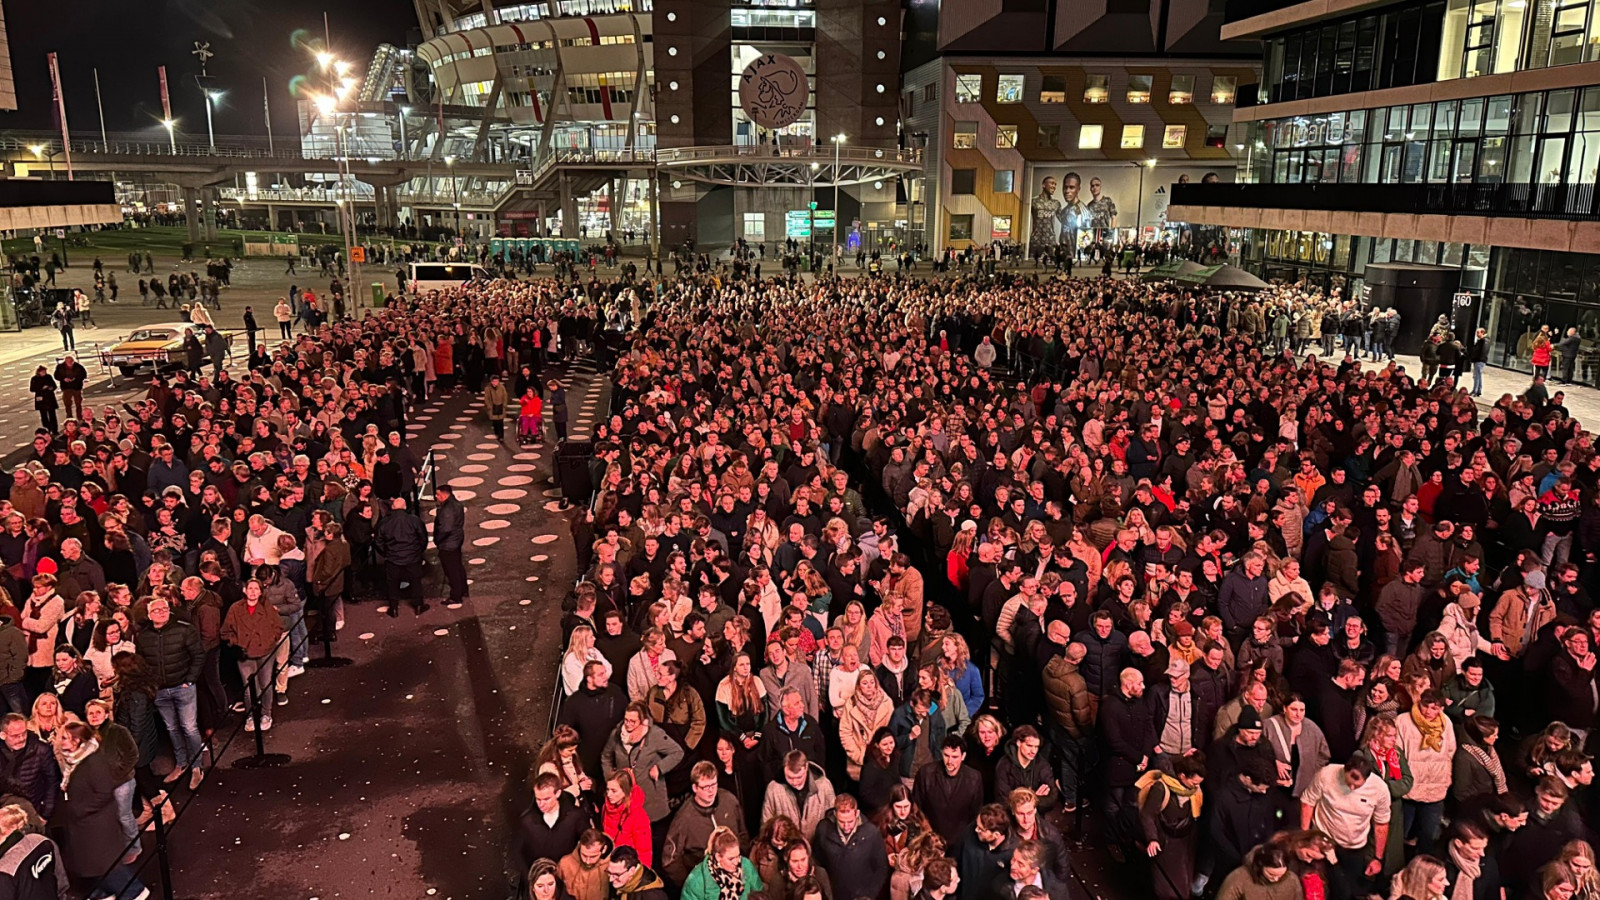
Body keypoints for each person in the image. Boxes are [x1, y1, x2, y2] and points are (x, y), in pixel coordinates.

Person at [374, 497, 429, 617]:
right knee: (416, 582)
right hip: (412, 557)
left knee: (392, 584)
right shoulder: (414, 520)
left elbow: (378, 541)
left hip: (393, 558)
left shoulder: (385, 522)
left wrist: (386, 553)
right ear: (405, 507)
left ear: (392, 507)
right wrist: (418, 551)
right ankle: (419, 605)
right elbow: (423, 538)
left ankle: (393, 608)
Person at [433, 484, 468, 606]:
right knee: (458, 566)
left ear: (443, 494)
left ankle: (456, 595)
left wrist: (437, 540)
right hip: (457, 540)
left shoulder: (447, 510)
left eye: (437, 494)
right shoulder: (457, 504)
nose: (436, 497)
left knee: (451, 570)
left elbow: (445, 529)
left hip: (448, 544)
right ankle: (463, 590)